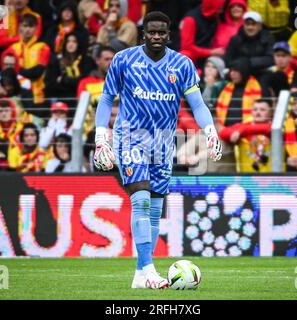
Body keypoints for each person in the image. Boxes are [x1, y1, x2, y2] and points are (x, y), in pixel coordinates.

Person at [93, 11, 222, 289]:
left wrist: (210, 131)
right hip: (130, 138)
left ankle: (141, 274)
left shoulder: (182, 64)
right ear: (143, 33)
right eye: (151, 32)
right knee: (139, 200)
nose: (156, 37)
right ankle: (151, 269)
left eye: (161, 33)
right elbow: (106, 99)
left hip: (163, 144)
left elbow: (197, 105)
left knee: (153, 211)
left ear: (168, 35)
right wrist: (101, 136)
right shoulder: (124, 60)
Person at [2, 13, 51, 118]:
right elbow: (6, 72)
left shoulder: (43, 47)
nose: (28, 29)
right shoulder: (12, 49)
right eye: (25, 26)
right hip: (16, 97)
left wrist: (17, 71)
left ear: (36, 28)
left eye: (31, 26)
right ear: (19, 27)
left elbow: (38, 72)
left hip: (38, 97)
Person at [223, 11, 275, 81]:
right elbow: (227, 59)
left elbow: (271, 59)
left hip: (261, 74)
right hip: (239, 74)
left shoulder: (268, 38)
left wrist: (248, 63)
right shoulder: (235, 39)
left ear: (260, 26)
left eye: (253, 24)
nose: (250, 27)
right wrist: (242, 65)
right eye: (247, 24)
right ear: (243, 25)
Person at [180, 0, 225, 67]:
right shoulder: (190, 19)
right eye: (219, 8)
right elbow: (186, 46)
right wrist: (210, 52)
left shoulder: (215, 17)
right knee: (185, 55)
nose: (221, 11)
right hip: (194, 56)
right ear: (212, 8)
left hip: (209, 54)